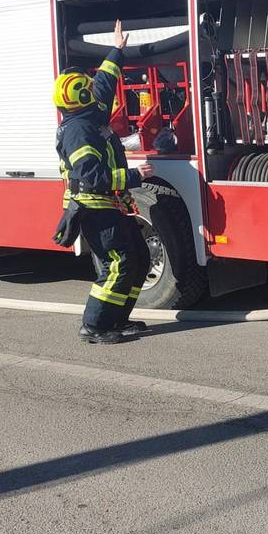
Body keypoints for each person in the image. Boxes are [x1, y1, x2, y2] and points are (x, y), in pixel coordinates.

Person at [52, 21, 153, 344]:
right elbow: (91, 177)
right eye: (88, 87)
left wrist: (117, 50)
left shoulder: (87, 115)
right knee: (117, 265)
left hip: (110, 205)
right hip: (94, 208)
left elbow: (105, 85)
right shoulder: (78, 132)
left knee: (139, 259)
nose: (94, 89)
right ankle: (94, 326)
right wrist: (135, 176)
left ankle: (117, 319)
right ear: (81, 96)